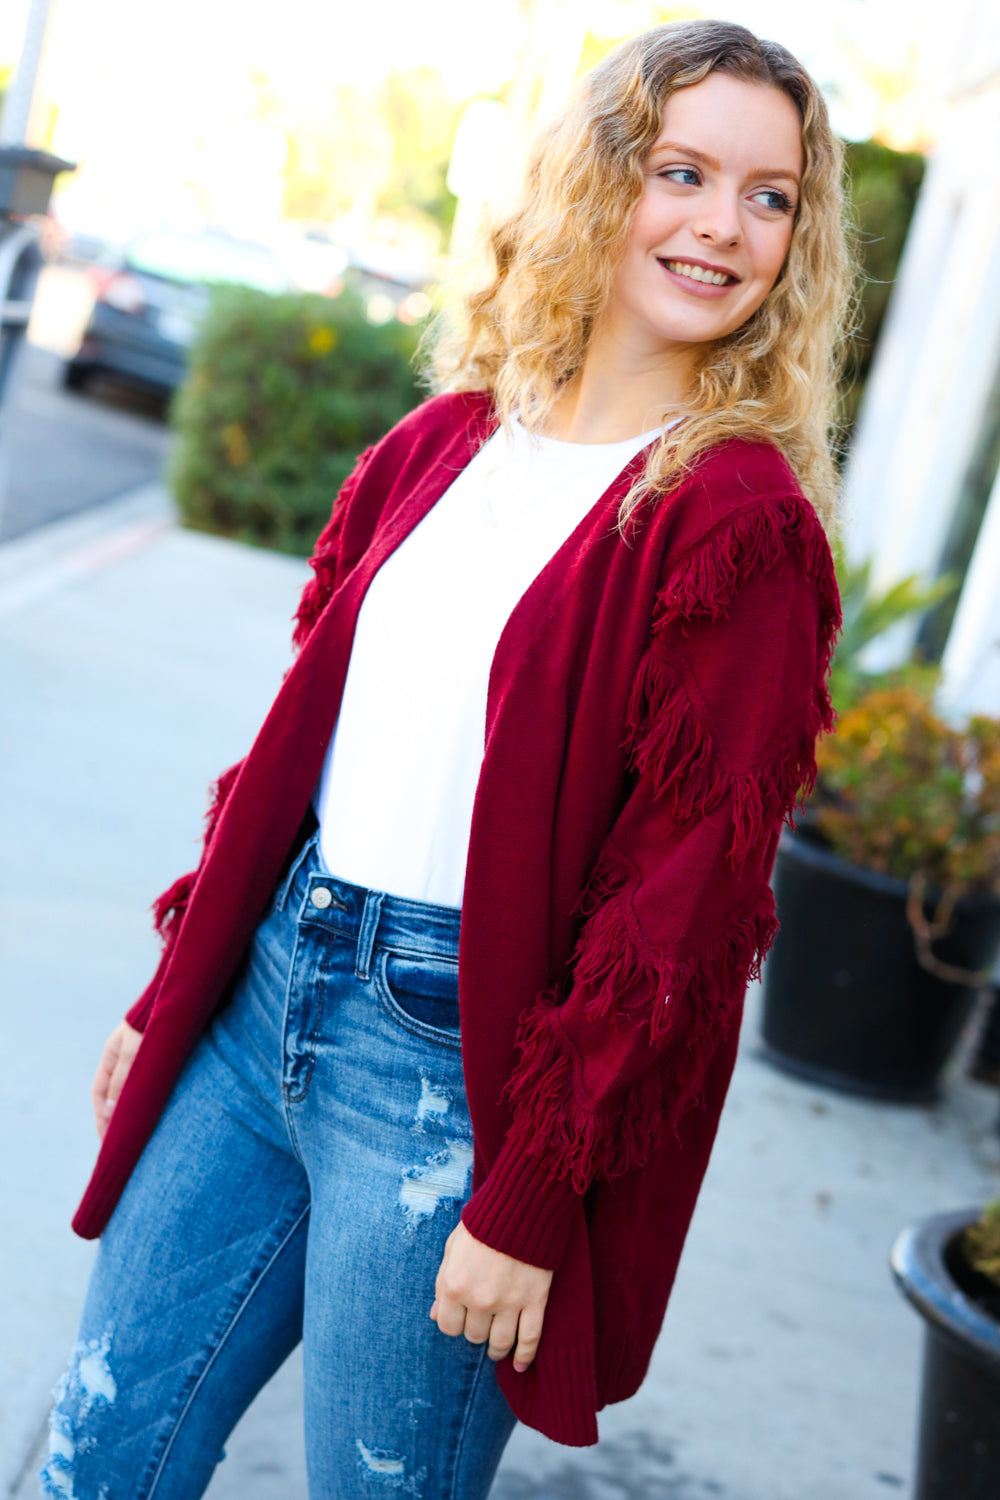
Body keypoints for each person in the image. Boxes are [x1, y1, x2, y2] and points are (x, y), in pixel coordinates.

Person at [43, 18, 849, 1500]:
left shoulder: (735, 522)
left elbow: (680, 914)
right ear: (600, 178)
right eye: (681, 172)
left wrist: (534, 1191)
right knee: (98, 1456)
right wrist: (174, 989)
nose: (724, 226)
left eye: (770, 195)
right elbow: (293, 759)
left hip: (454, 1078)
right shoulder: (445, 443)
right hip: (264, 997)